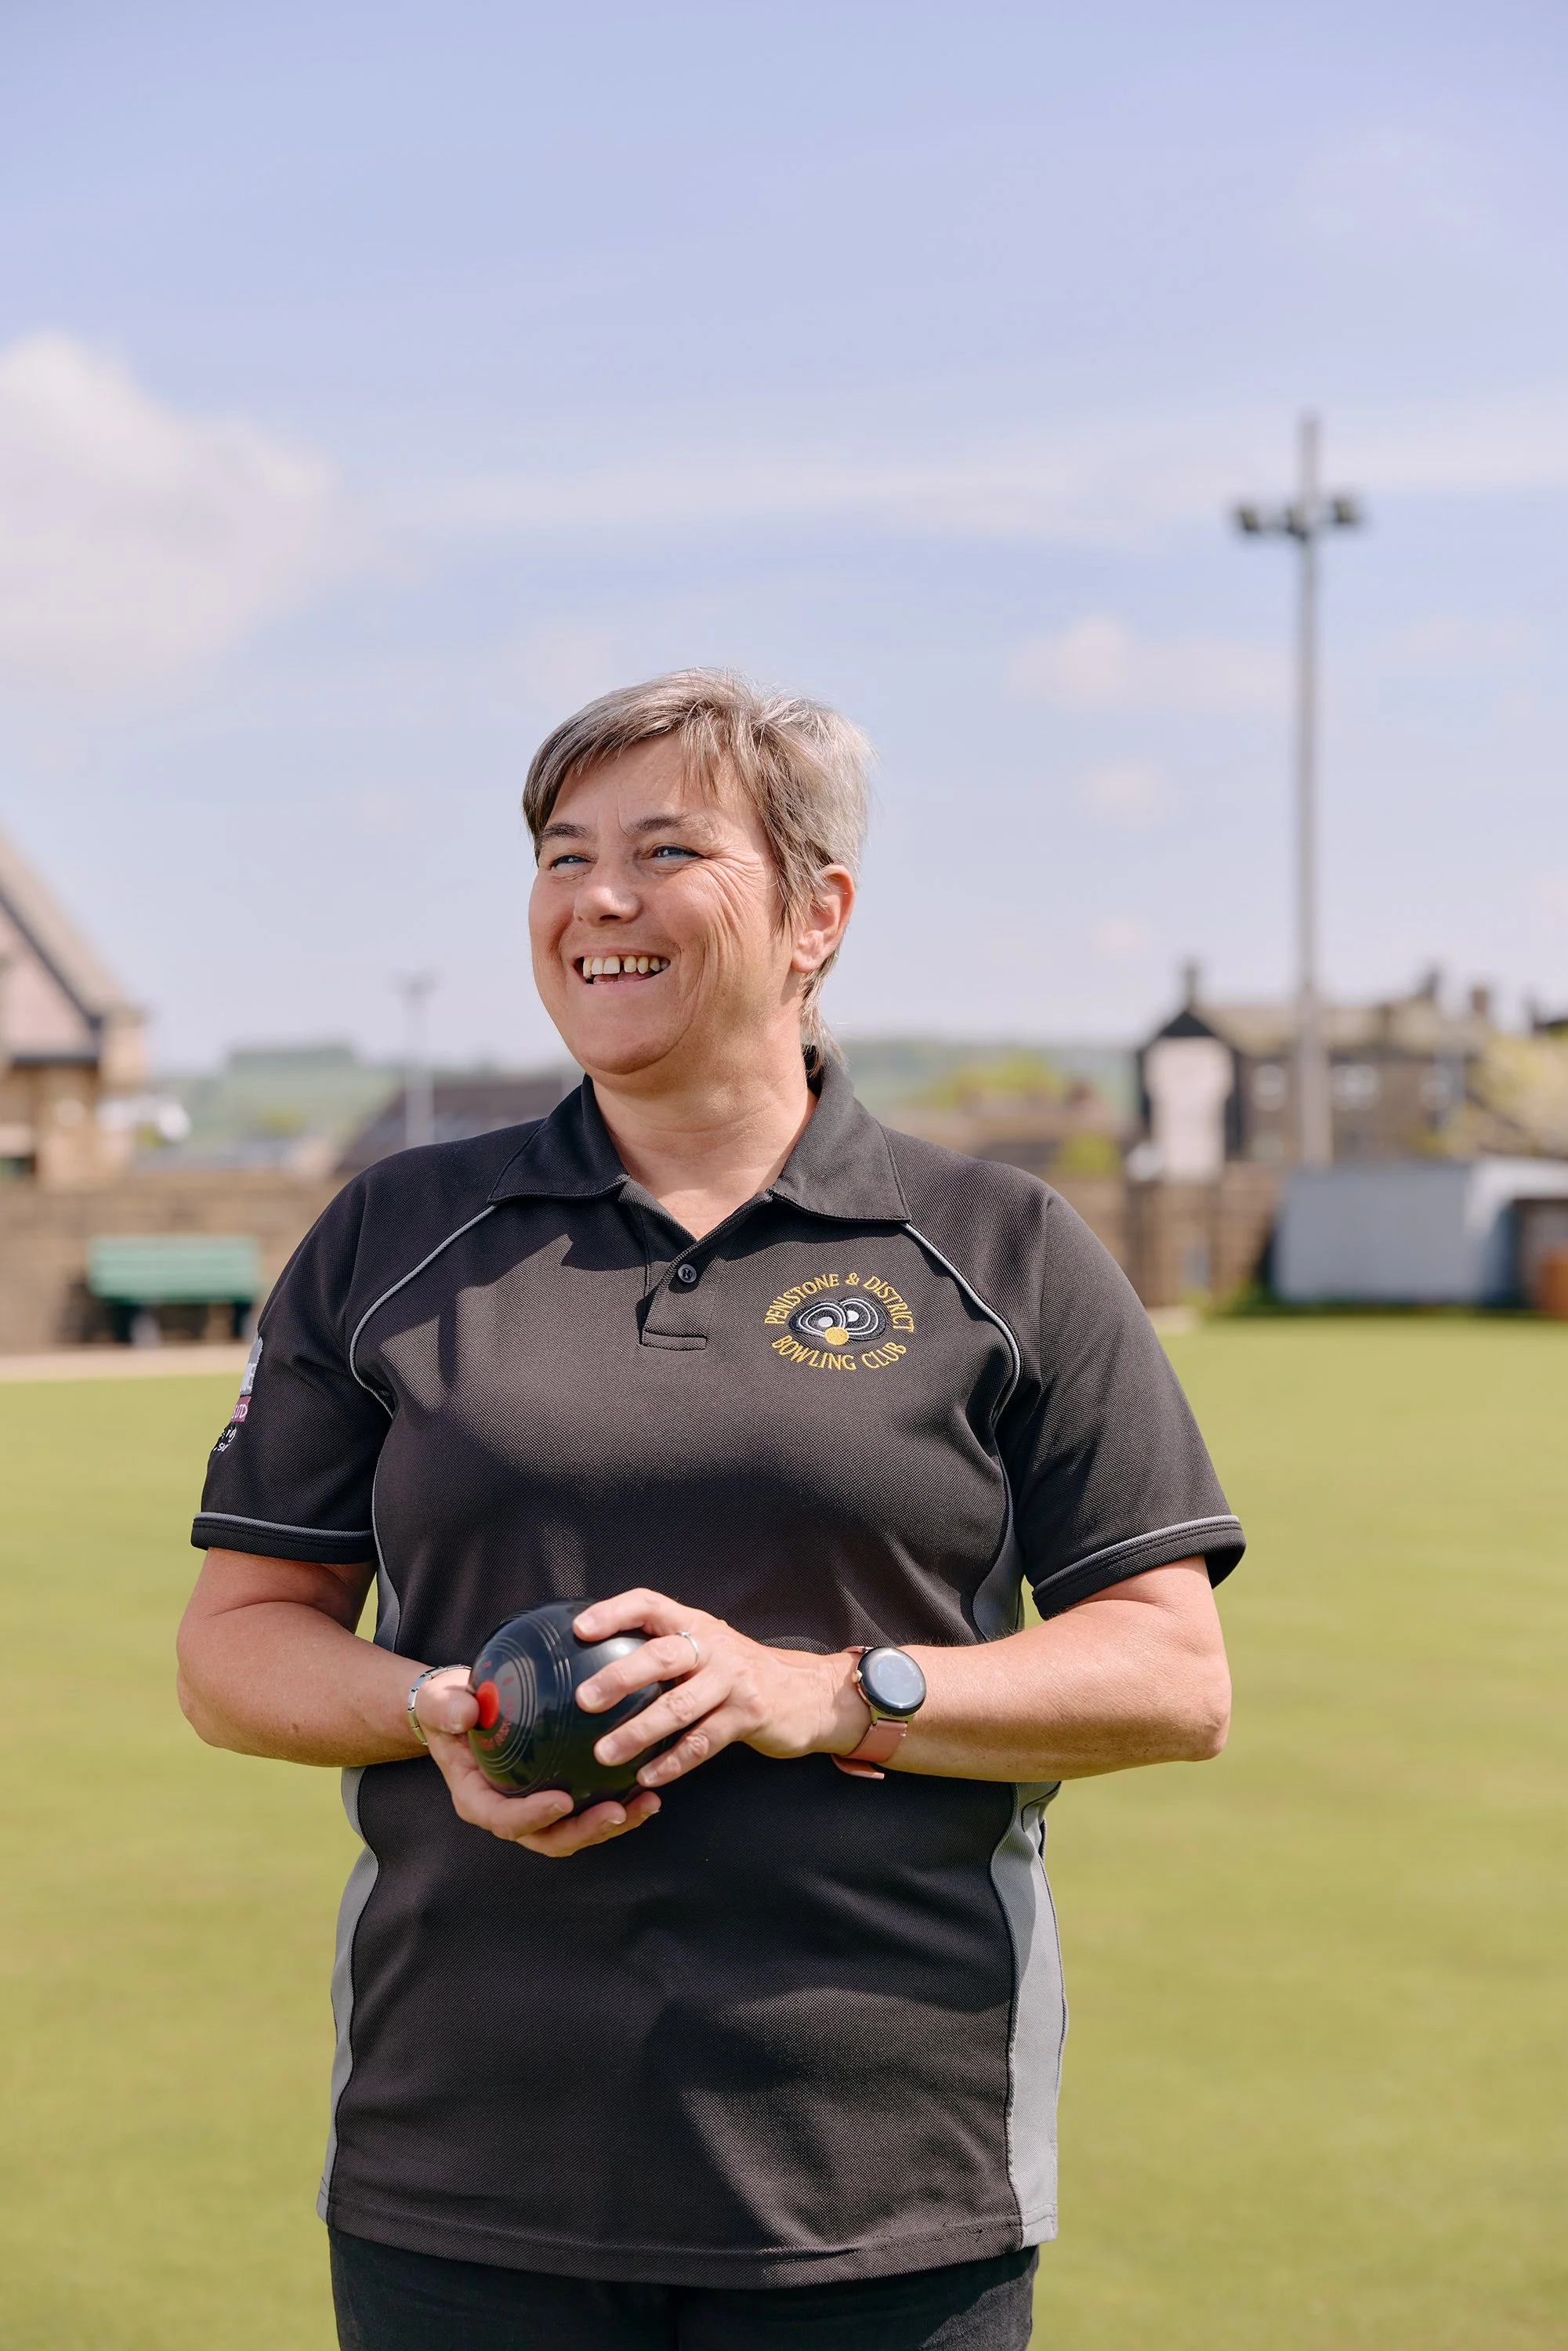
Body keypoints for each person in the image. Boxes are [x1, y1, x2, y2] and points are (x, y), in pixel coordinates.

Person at [177, 670, 1243, 2351]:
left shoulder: (1001, 1246)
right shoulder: (394, 1234)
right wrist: (434, 1708)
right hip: (460, 2168)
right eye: (559, 852)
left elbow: (1173, 1677)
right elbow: (233, 1648)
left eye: (664, 848)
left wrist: (821, 1694)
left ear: (817, 910)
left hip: (881, 2188)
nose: (596, 898)